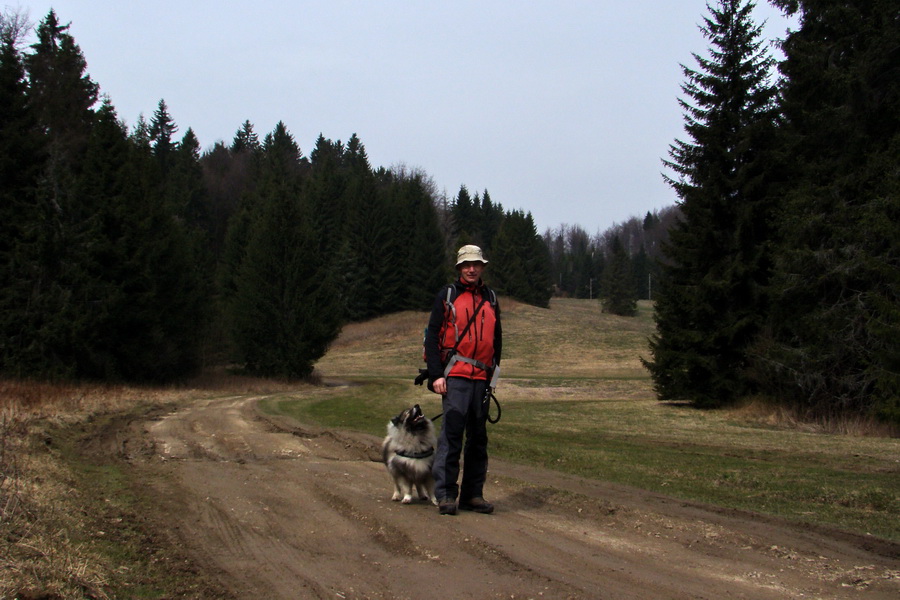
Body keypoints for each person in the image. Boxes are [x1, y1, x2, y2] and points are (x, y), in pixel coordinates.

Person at [424, 245, 502, 515]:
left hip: (482, 378)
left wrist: (494, 375)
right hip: (455, 376)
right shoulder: (447, 295)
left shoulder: (490, 297)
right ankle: (446, 494)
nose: (472, 269)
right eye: (466, 265)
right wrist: (435, 375)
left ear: (482, 267)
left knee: (478, 439)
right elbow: (432, 337)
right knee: (452, 436)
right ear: (459, 268)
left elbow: (497, 340)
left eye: (476, 264)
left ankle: (473, 494)